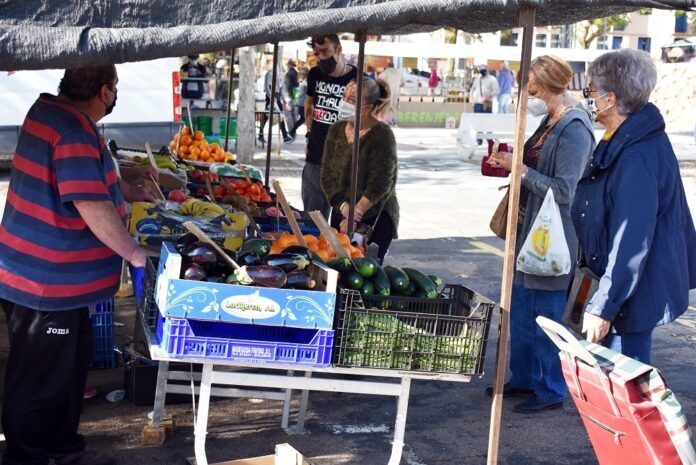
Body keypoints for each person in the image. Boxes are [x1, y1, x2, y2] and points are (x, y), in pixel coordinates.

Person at [0, 65, 156, 465]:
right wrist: (135, 254)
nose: (115, 94)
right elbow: (89, 203)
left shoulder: (51, 111)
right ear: (104, 91)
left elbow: (89, 175)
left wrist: (127, 185)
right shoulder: (72, 131)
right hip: (45, 284)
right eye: (115, 87)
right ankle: (28, 458)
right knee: (38, 381)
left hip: (47, 278)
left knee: (67, 371)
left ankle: (63, 448)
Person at [487, 55, 595, 413]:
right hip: (529, 232)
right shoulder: (550, 119)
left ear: (549, 85)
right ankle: (524, 377)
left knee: (545, 316)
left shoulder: (576, 128)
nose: (527, 94)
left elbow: (565, 191)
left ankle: (550, 389)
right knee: (520, 309)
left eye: (531, 87)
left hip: (552, 239)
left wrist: (520, 171)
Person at [574, 49, 696, 364]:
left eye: (590, 90)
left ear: (610, 98)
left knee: (624, 391)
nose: (584, 96)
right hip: (620, 291)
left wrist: (605, 305)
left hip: (629, 297)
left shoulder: (636, 155)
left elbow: (631, 240)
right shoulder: (621, 137)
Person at [321, 78, 399, 262]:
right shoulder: (336, 130)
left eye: (353, 101)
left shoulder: (382, 135)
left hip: (374, 216)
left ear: (368, 108)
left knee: (364, 271)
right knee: (337, 267)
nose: (345, 103)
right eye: (344, 97)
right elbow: (327, 176)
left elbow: (381, 183)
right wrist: (344, 207)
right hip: (341, 212)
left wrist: (356, 213)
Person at [303, 34, 358, 218]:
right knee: (313, 220)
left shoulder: (357, 78)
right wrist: (309, 135)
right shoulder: (315, 74)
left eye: (325, 51)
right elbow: (309, 104)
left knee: (340, 225)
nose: (321, 58)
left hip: (344, 163)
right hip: (316, 158)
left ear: (339, 50)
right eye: (316, 54)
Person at [258, 60, 294, 145]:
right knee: (270, 116)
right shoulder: (269, 74)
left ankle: (261, 135)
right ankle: (284, 136)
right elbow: (267, 87)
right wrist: (271, 98)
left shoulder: (280, 75)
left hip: (276, 97)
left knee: (277, 116)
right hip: (270, 97)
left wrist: (285, 99)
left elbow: (281, 88)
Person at [378, 62, 406, 126]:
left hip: (389, 91)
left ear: (388, 66)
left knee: (389, 106)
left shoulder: (387, 71)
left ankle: (389, 121)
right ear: (394, 66)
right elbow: (404, 81)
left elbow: (379, 78)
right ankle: (394, 121)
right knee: (395, 106)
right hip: (397, 91)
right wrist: (400, 85)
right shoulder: (399, 71)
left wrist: (383, 85)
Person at [289, 67, 309, 138]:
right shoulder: (305, 83)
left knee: (304, 119)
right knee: (305, 119)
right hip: (304, 104)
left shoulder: (302, 82)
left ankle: (292, 131)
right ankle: (292, 131)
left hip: (301, 104)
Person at [283, 59, 299, 129]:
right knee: (294, 114)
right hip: (296, 96)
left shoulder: (288, 74)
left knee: (288, 114)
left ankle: (291, 130)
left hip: (290, 95)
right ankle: (294, 129)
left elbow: (286, 85)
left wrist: (286, 96)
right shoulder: (297, 73)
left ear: (289, 65)